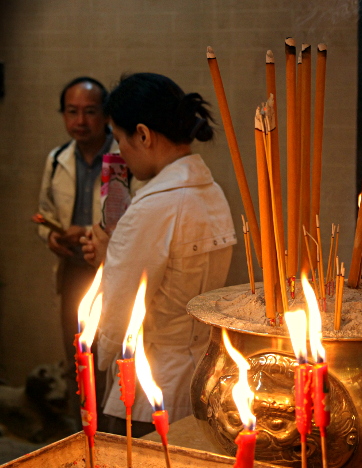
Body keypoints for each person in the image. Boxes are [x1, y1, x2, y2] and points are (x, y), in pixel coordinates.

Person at [81, 73, 236, 436]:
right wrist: (112, 254)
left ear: (144, 134)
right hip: (201, 377)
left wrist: (109, 260)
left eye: (120, 140)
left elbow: (117, 316)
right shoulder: (212, 193)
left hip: (145, 390)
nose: (119, 152)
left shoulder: (155, 206)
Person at [36, 76, 119, 428]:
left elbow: (129, 220)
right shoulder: (57, 159)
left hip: (111, 273)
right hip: (72, 272)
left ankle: (112, 436)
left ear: (105, 116)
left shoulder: (123, 156)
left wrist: (86, 232)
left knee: (110, 360)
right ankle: (82, 431)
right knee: (77, 359)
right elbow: (46, 214)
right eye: (72, 112)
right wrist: (51, 236)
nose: (80, 121)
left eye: (89, 112)